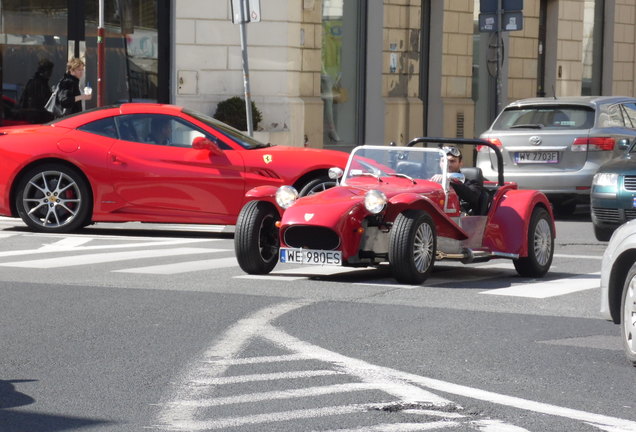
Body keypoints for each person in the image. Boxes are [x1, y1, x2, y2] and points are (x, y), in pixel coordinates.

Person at [440, 146, 484, 215]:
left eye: (452, 161)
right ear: (440, 163)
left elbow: (472, 197)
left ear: (460, 164)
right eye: (444, 161)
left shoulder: (471, 182)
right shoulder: (432, 179)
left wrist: (449, 179)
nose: (447, 164)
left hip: (460, 219)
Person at [19, 58, 54, 123]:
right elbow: (40, 102)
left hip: (36, 117)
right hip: (37, 118)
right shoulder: (37, 84)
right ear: (43, 71)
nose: (50, 74)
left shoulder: (38, 83)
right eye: (49, 71)